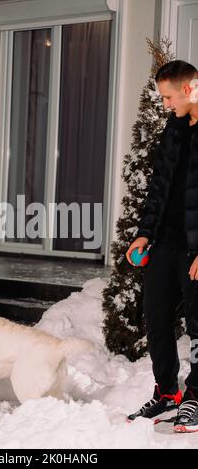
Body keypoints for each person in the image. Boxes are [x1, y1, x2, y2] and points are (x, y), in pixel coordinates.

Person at [125, 60, 198, 432]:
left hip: (195, 247)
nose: (165, 104)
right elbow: (159, 188)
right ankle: (167, 392)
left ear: (189, 89)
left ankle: (196, 395)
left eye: (169, 96)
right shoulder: (174, 127)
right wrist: (144, 232)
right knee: (156, 319)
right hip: (165, 243)